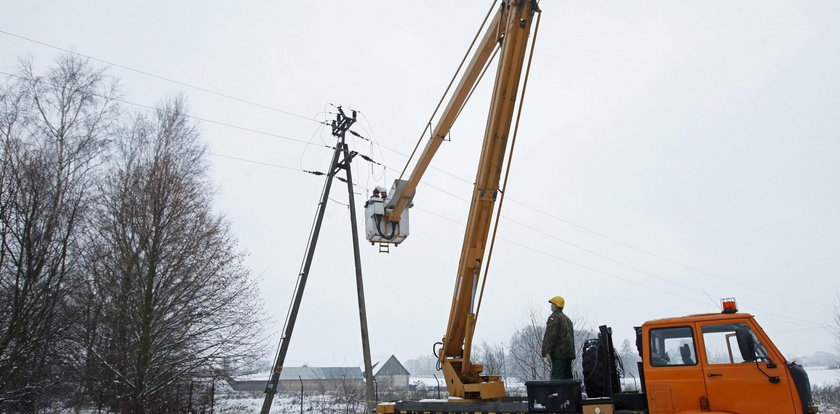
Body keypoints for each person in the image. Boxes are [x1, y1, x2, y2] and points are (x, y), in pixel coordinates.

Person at [542, 296, 575, 380]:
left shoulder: (554, 317)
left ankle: (557, 393)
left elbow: (551, 336)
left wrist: (547, 351)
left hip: (559, 354)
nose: (551, 305)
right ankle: (570, 393)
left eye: (552, 304)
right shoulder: (567, 319)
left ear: (556, 305)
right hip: (568, 354)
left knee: (557, 379)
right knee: (568, 378)